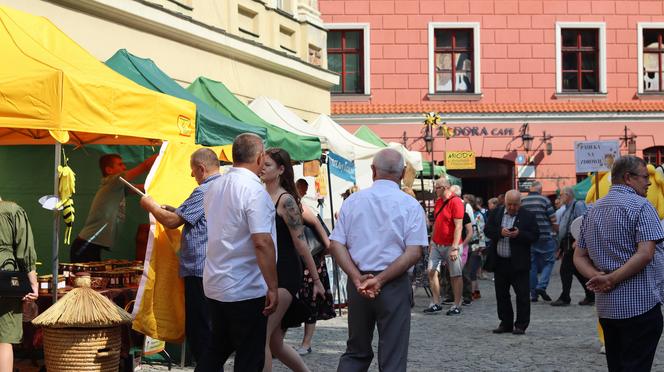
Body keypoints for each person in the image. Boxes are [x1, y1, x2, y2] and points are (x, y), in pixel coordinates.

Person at [330, 148, 427, 372]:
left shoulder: (353, 201)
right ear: (402, 173)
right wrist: (381, 280)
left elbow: (335, 244)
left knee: (356, 351)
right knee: (393, 355)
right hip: (393, 281)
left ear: (373, 170)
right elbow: (414, 252)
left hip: (359, 281)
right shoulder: (411, 205)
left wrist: (356, 278)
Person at [574, 155, 664, 372]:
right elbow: (645, 254)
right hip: (640, 304)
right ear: (628, 178)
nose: (649, 182)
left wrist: (598, 278)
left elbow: (578, 256)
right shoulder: (642, 206)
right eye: (644, 177)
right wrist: (610, 279)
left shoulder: (593, 209)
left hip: (607, 308)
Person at [198, 133, 279, 372]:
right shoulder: (254, 191)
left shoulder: (214, 186)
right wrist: (272, 286)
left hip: (216, 281)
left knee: (217, 348)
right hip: (244, 286)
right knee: (248, 355)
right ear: (260, 157)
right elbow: (262, 241)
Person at [138, 148, 220, 366]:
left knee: (199, 329)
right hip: (214, 268)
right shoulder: (224, 187)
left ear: (201, 169)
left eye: (193, 170)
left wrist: (151, 206)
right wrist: (175, 210)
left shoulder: (203, 191)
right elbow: (193, 216)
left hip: (200, 270)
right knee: (208, 327)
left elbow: (173, 222)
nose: (192, 175)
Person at [260, 148, 325, 372]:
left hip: (285, 273)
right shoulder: (259, 194)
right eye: (262, 163)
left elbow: (300, 243)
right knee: (275, 343)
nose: (261, 168)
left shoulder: (285, 200)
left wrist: (316, 280)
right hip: (267, 271)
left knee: (262, 338)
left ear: (280, 170)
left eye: (267, 165)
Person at [70, 153, 157, 262]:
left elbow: (146, 189)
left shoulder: (119, 187)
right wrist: (163, 154)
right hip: (85, 247)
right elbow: (144, 166)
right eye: (120, 164)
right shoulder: (113, 181)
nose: (124, 167)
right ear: (109, 170)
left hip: (91, 246)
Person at [484, 190, 539, 335]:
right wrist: (500, 232)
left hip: (519, 263)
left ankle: (521, 325)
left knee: (522, 295)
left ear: (520, 203)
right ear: (505, 202)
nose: (512, 208)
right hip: (500, 261)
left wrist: (519, 234)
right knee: (501, 295)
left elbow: (535, 236)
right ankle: (505, 323)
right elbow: (487, 230)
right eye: (509, 205)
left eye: (515, 205)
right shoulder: (496, 213)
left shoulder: (528, 216)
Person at [294, 179, 335, 356]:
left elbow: (323, 234)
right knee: (296, 302)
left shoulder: (302, 208)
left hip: (311, 263)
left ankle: (306, 343)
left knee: (310, 301)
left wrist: (330, 249)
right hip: (298, 262)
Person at [0, 198, 38, 372]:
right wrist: (32, 283)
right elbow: (25, 250)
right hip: (5, 275)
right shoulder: (13, 210)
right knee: (3, 338)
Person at [424, 177, 464, 315]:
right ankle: (436, 302)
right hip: (437, 243)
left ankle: (457, 304)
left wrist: (454, 247)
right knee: (431, 271)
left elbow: (458, 226)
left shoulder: (456, 202)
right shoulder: (439, 202)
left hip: (451, 244)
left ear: (446, 188)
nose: (435, 190)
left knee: (455, 275)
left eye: (437, 187)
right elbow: (436, 222)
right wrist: (431, 241)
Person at [551, 186, 594, 307]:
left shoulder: (578, 205)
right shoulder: (566, 208)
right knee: (577, 271)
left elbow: (584, 221)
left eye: (562, 195)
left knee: (564, 270)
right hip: (568, 243)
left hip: (574, 243)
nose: (560, 198)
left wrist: (579, 240)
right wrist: (560, 247)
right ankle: (590, 295)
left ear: (568, 195)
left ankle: (565, 297)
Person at [520, 181, 557, 302]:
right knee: (549, 261)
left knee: (532, 266)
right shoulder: (544, 200)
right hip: (545, 236)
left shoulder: (523, 201)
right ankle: (541, 286)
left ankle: (533, 294)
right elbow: (553, 219)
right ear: (540, 190)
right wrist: (556, 231)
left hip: (529, 237)